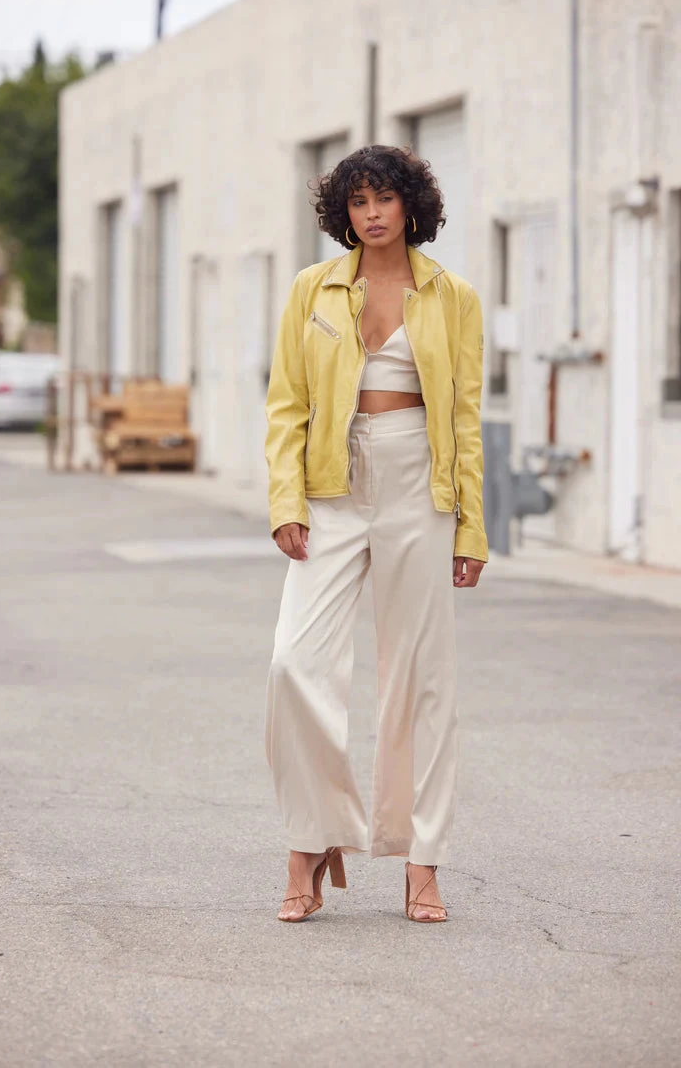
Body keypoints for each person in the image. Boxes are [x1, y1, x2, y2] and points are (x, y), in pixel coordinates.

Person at [263, 145, 488, 924]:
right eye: (357, 201)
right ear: (343, 213)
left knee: (422, 676)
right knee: (294, 662)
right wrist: (286, 500)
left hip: (418, 478)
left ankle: (422, 860)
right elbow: (286, 403)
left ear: (411, 204)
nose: (372, 213)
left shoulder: (452, 296)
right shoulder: (313, 289)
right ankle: (311, 838)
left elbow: (465, 417)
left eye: (384, 198)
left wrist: (472, 529)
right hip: (333, 480)